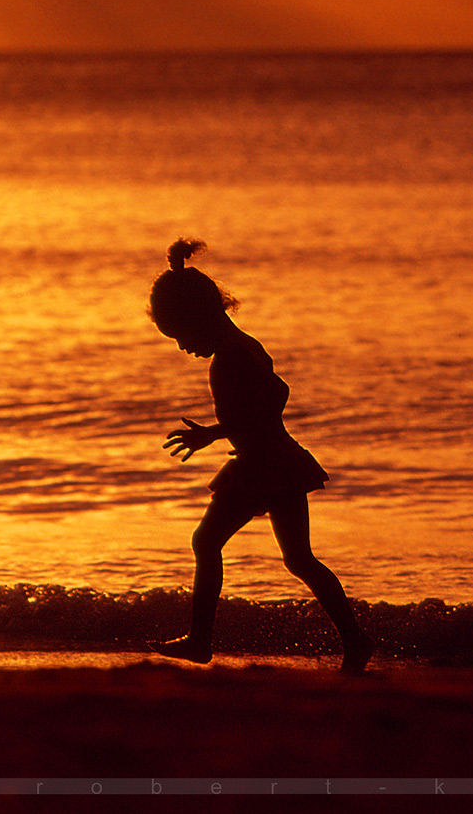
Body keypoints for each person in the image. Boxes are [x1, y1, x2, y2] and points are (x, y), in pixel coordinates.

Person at [146, 238, 374, 674]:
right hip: (280, 462)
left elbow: (258, 412)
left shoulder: (229, 359)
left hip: (261, 467)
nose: (182, 347)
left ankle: (199, 640)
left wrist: (211, 434)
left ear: (202, 317)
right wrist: (229, 430)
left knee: (206, 542)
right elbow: (278, 394)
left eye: (181, 335)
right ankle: (356, 639)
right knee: (299, 559)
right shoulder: (247, 345)